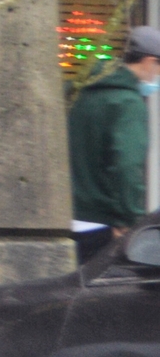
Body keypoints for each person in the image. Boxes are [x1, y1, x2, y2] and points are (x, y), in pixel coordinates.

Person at [68, 24, 160, 262]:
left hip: (65, 218)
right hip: (101, 226)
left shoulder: (80, 90)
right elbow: (127, 167)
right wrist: (130, 221)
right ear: (149, 62)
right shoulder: (128, 103)